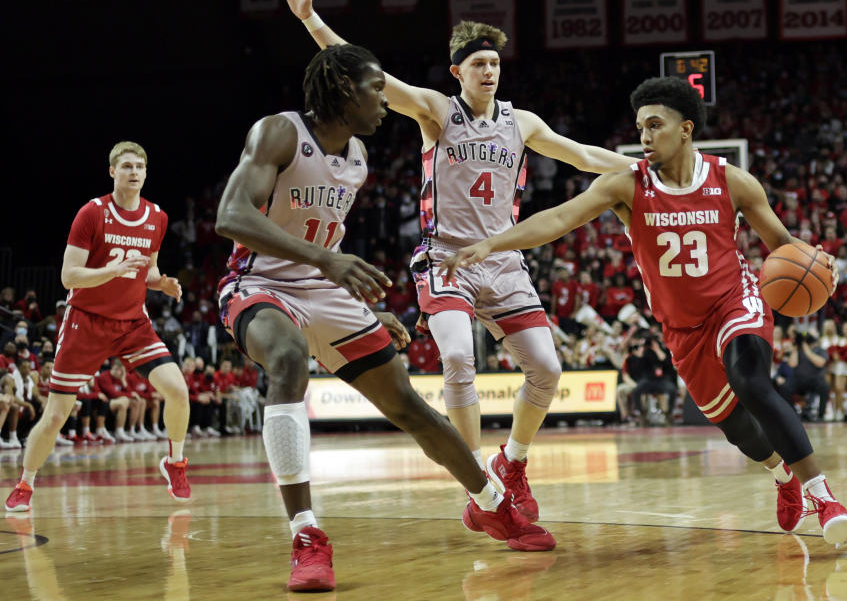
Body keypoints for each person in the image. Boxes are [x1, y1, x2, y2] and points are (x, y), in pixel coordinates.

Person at [441, 76, 847, 549]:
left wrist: (820, 262)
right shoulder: (626, 185)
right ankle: (782, 475)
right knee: (737, 428)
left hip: (734, 303)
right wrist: (492, 243)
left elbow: (784, 247)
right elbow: (559, 218)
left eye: (655, 125)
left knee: (750, 379)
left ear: (686, 129)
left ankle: (824, 497)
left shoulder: (733, 181)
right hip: (681, 328)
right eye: (640, 126)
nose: (644, 136)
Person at [280, 0, 637, 522]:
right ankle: (479, 479)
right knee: (455, 354)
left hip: (503, 261)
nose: (490, 70)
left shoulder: (522, 123)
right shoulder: (436, 111)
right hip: (445, 257)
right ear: (458, 72)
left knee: (546, 369)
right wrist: (311, 21)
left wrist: (651, 172)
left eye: (496, 62)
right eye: (479, 64)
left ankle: (513, 461)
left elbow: (587, 157)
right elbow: (369, 72)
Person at [214, 45, 555, 592]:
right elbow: (231, 217)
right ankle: (307, 535)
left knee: (409, 406)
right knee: (287, 356)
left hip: (325, 290)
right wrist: (326, 261)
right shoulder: (279, 132)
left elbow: (321, 237)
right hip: (259, 284)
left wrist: (364, 309)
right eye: (376, 90)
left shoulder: (356, 157)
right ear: (346, 90)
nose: (384, 102)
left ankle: (490, 503)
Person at [5, 141, 191, 513]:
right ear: (112, 172)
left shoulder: (158, 216)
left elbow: (147, 268)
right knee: (56, 414)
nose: (134, 172)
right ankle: (26, 481)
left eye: (140, 166)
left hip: (132, 322)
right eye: (126, 166)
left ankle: (176, 463)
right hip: (85, 322)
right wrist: (110, 271)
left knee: (178, 390)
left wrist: (160, 282)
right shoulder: (92, 213)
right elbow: (68, 275)